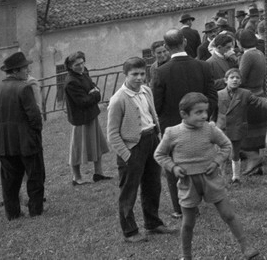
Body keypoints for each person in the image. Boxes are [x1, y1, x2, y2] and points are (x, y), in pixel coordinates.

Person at [154, 92, 260, 260]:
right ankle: (186, 255)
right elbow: (159, 155)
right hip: (188, 183)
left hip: (211, 179)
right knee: (188, 223)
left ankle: (247, 248)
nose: (204, 115)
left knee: (228, 215)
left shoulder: (210, 128)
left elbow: (226, 145)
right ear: (184, 114)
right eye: (198, 112)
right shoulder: (172, 133)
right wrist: (173, 168)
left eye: (205, 111)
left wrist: (216, 162)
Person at [106, 57, 174, 243]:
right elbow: (112, 134)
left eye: (142, 74)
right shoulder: (118, 99)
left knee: (153, 184)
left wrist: (158, 138)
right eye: (134, 74)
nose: (139, 78)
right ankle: (130, 231)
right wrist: (127, 155)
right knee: (129, 189)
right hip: (132, 146)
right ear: (125, 75)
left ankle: (153, 223)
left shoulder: (146, 90)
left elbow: (152, 116)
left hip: (151, 139)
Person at [153, 29, 218, 219]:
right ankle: (209, 196)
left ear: (165, 46)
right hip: (200, 123)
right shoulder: (203, 66)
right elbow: (212, 95)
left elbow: (156, 103)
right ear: (184, 41)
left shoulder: (161, 72)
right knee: (202, 158)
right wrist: (204, 116)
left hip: (172, 125)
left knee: (175, 166)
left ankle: (181, 206)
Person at [0, 51, 45, 220]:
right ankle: (36, 210)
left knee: (9, 182)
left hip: (4, 143)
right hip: (27, 142)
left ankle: (12, 213)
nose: (28, 72)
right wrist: (35, 133)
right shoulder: (24, 88)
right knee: (35, 177)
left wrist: (2, 132)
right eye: (25, 69)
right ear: (16, 71)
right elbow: (34, 116)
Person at [63, 51, 111, 185]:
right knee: (77, 149)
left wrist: (93, 93)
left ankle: (98, 173)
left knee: (97, 143)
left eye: (82, 63)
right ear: (70, 66)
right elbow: (82, 102)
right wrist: (95, 94)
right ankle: (76, 178)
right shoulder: (71, 82)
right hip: (80, 119)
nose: (80, 66)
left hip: (91, 114)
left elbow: (93, 88)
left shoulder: (84, 73)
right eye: (77, 64)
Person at [217, 68, 267, 183]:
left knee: (235, 153)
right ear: (225, 80)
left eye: (237, 78)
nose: (235, 80)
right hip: (222, 128)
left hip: (237, 128)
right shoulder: (219, 95)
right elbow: (213, 112)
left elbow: (258, 101)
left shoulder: (245, 94)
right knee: (222, 154)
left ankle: (236, 177)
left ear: (240, 81)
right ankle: (221, 178)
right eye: (232, 78)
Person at [237, 29, 267, 176]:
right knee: (254, 133)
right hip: (259, 95)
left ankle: (254, 158)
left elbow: (240, 78)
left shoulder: (247, 56)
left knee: (244, 133)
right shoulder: (260, 53)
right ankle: (256, 167)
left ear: (239, 42)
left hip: (249, 98)